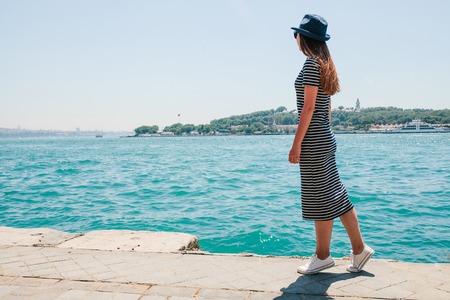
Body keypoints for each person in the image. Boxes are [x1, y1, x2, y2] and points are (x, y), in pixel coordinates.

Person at [288, 14, 374, 275]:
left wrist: (296, 144)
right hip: (324, 137)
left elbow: (309, 108)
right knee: (334, 195)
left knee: (320, 198)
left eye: (297, 34)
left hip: (314, 140)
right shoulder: (324, 64)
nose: (295, 38)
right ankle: (358, 250)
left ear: (305, 38)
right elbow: (325, 110)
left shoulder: (312, 64)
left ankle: (324, 256)